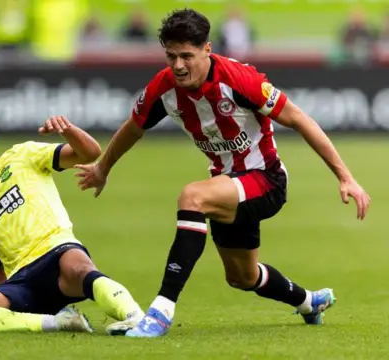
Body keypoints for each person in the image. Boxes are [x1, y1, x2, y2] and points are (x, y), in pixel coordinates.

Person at [75, 8, 371, 338]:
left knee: (193, 197)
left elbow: (299, 118)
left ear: (207, 49)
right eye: (171, 56)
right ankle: (308, 302)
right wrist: (103, 167)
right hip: (228, 184)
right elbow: (134, 127)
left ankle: (160, 312)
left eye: (186, 56)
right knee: (242, 277)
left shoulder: (239, 80)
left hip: (266, 179)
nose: (178, 66)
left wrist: (345, 176)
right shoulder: (164, 88)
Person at [0, 114, 145, 334]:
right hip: (22, 284)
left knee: (80, 269)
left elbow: (90, 153)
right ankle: (60, 323)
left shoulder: (22, 156)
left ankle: (136, 317)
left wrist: (67, 130)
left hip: (57, 253)